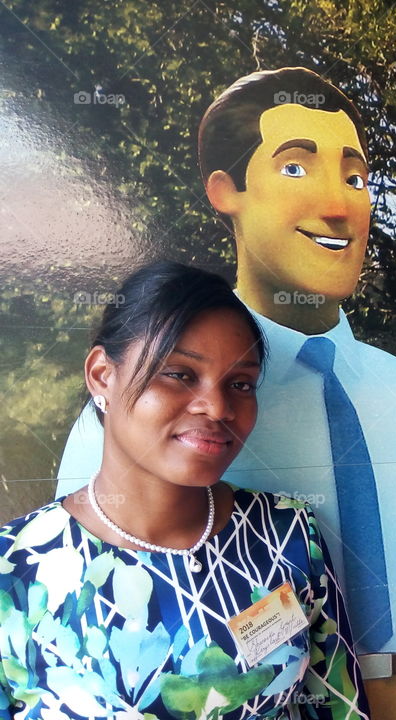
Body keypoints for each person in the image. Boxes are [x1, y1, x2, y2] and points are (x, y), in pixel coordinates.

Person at [55, 68, 396, 720]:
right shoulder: (138, 417)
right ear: (226, 191)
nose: (338, 203)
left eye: (355, 177)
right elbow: (81, 636)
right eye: (295, 168)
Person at [1, 261, 368, 719]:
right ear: (101, 375)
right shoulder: (16, 569)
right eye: (179, 374)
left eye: (240, 384)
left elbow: (338, 705)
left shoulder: (287, 534)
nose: (217, 407)